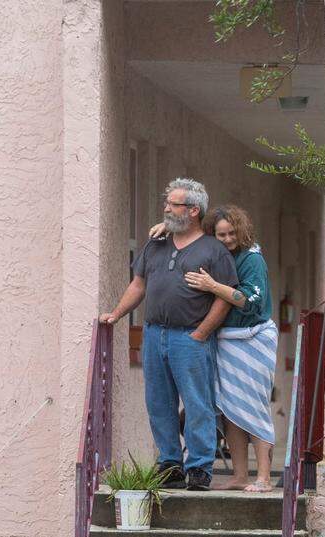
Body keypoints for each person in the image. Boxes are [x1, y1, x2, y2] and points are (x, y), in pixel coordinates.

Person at [100, 179, 238, 491]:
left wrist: (202, 332)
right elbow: (139, 284)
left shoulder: (213, 250)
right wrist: (116, 314)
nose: (165, 208)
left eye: (172, 204)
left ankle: (200, 466)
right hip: (153, 334)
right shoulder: (156, 243)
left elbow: (225, 297)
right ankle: (170, 462)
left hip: (190, 337)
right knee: (158, 402)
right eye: (167, 203)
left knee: (197, 402)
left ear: (192, 210)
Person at [180, 205, 278, 492]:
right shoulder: (219, 256)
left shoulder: (252, 259)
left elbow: (251, 302)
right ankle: (239, 476)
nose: (226, 239)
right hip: (225, 340)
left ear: (241, 230)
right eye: (220, 234)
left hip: (253, 339)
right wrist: (164, 229)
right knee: (231, 409)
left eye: (231, 233)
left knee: (255, 406)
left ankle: (263, 476)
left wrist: (212, 285)